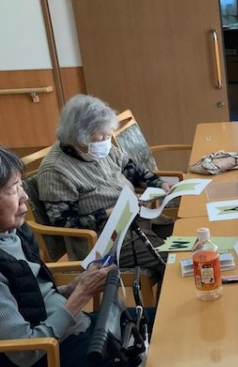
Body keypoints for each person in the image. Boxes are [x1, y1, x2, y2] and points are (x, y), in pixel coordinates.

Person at [0, 138, 138, 367]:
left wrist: (73, 287)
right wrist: (79, 297)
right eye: (12, 189)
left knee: (158, 321)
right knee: (148, 347)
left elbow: (32, 296)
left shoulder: (10, 232)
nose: (24, 198)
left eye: (20, 185)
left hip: (65, 334)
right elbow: (25, 352)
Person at [36, 94, 173, 281]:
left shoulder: (99, 148)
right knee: (174, 258)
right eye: (102, 135)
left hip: (137, 223)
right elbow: (64, 223)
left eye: (109, 134)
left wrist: (159, 183)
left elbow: (130, 168)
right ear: (80, 135)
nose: (107, 139)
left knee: (187, 237)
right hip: (105, 243)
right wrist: (107, 214)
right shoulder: (55, 170)